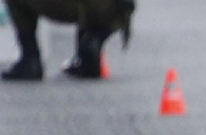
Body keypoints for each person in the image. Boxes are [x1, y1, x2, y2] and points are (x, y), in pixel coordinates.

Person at [1, 0, 134, 80]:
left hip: (56, 4)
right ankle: (93, 39)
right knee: (107, 9)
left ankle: (30, 58)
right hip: (106, 6)